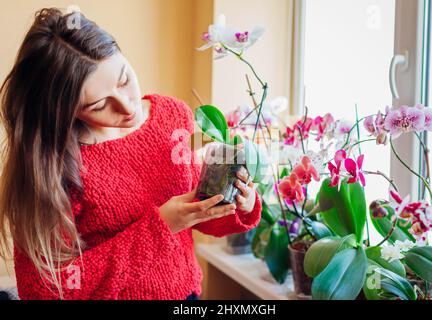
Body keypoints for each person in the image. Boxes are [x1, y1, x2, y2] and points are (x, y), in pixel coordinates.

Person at [0, 8, 261, 300]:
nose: (127, 106)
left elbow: (199, 213)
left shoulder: (173, 115)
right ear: (63, 112)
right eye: (99, 105)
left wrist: (241, 202)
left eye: (124, 79)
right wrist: (160, 227)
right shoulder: (52, 166)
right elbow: (43, 291)